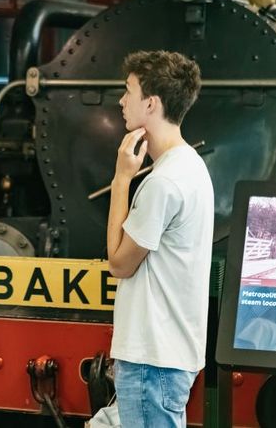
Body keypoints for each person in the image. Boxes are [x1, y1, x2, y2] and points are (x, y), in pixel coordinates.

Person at [107, 50, 214, 428]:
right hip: (166, 356)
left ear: (151, 103)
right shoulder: (189, 166)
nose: (121, 101)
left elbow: (119, 263)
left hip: (153, 359)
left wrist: (122, 179)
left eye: (128, 91)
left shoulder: (164, 182)